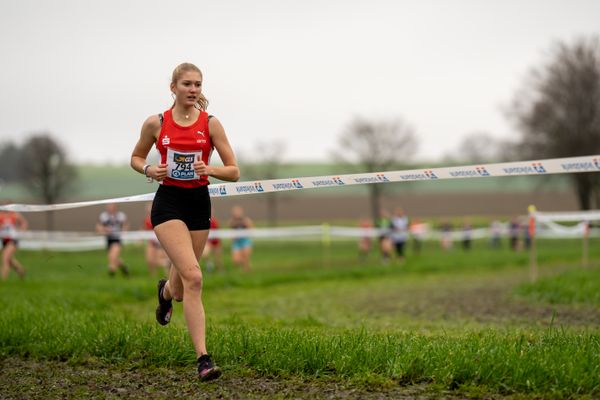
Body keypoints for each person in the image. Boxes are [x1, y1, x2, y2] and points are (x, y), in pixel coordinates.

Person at [130, 62, 239, 381]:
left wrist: (211, 170)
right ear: (173, 88)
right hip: (168, 204)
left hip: (198, 204)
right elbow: (136, 157)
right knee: (194, 278)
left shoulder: (212, 124)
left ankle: (164, 293)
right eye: (187, 84)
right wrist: (149, 170)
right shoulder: (156, 123)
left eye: (198, 85)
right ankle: (203, 359)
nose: (193, 90)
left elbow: (234, 171)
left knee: (179, 289)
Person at [96, 203, 130, 277]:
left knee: (112, 257)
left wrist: (124, 231)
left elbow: (125, 225)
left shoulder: (121, 216)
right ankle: (124, 268)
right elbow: (98, 226)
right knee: (114, 258)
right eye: (109, 206)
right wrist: (104, 229)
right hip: (108, 239)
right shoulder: (103, 216)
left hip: (117, 238)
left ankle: (111, 272)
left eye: (112, 206)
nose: (110, 207)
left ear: (116, 207)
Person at [142, 203, 170, 276]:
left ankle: (168, 274)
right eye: (148, 209)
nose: (148, 210)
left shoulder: (160, 218)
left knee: (158, 260)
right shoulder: (147, 220)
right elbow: (145, 230)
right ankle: (153, 275)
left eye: (150, 208)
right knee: (150, 260)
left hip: (160, 242)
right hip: (152, 242)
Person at [0, 209, 27, 280]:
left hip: (13, 239)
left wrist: (21, 231)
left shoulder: (15, 215)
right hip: (4, 240)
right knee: (9, 259)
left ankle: (3, 279)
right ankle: (21, 270)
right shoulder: (1, 215)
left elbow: (24, 222)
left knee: (5, 258)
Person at [229, 205, 253, 272]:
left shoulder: (246, 220)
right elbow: (231, 232)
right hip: (236, 242)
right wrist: (233, 238)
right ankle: (246, 264)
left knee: (246, 257)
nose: (236, 213)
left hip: (245, 241)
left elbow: (251, 230)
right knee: (236, 260)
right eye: (235, 212)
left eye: (238, 211)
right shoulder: (232, 222)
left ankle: (247, 271)